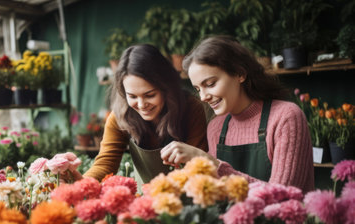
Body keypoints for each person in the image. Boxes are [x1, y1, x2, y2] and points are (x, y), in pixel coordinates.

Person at [160, 36, 314, 192]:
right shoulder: (216, 127)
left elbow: (282, 195)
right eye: (198, 89)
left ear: (240, 74)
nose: (203, 97)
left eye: (210, 84)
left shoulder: (285, 117)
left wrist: (211, 164)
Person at [77, 44, 209, 184]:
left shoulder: (191, 108)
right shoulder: (120, 117)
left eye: (150, 95)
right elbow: (105, 164)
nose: (141, 105)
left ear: (166, 88)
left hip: (190, 196)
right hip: (144, 200)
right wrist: (79, 186)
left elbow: (198, 166)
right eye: (132, 96)